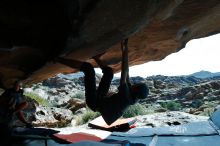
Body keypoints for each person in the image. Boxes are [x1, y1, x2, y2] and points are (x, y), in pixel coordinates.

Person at [56, 39, 149, 125]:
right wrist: (125, 49)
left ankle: (56, 58)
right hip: (102, 98)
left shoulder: (126, 96)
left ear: (136, 88)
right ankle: (96, 57)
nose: (135, 83)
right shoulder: (134, 94)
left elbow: (124, 72)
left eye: (137, 84)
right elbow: (127, 72)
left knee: (88, 68)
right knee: (109, 72)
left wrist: (125, 49)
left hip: (94, 102)